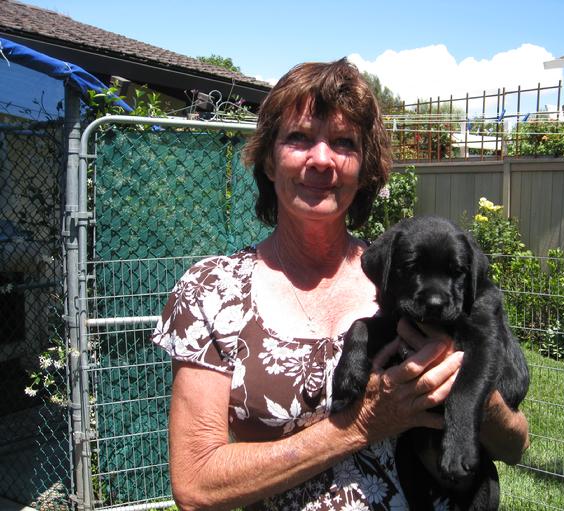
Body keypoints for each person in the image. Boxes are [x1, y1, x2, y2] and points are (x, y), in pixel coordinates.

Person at [151, 58, 529, 511]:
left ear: (365, 169)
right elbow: (195, 486)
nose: (322, 159)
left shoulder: (399, 275)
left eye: (344, 143)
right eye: (299, 138)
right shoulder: (211, 292)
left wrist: (475, 401)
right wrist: (362, 423)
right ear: (269, 162)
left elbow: (515, 445)